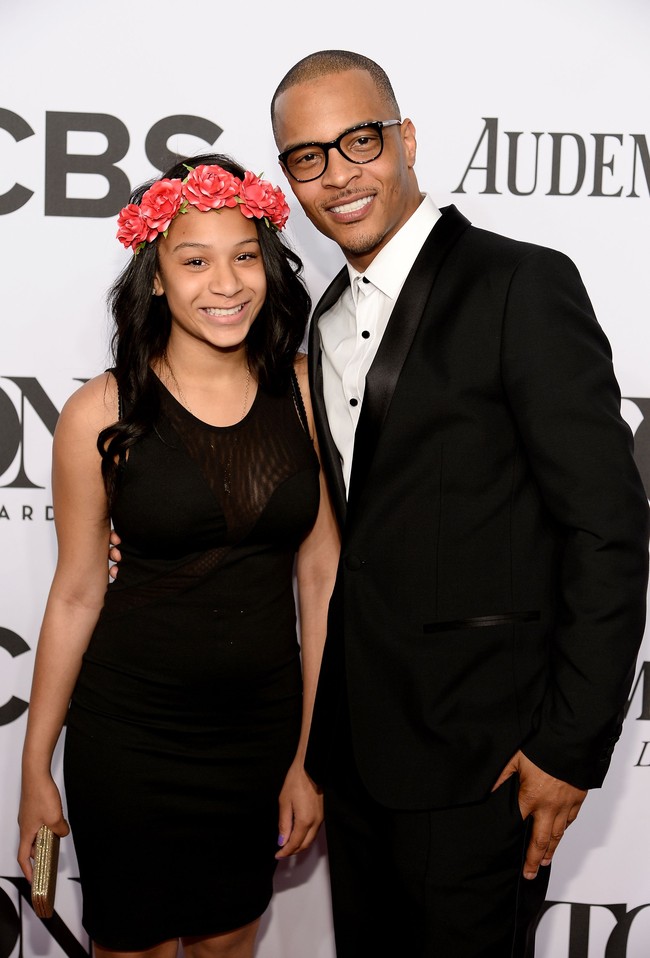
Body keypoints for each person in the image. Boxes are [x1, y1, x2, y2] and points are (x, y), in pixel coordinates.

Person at [267, 50, 650, 956]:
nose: (337, 175)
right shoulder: (320, 318)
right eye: (307, 157)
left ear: (404, 140)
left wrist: (568, 748)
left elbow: (608, 527)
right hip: (357, 762)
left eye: (358, 141)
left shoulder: (519, 283)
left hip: (487, 764)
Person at [17, 152, 340, 958]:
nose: (224, 283)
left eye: (243, 256)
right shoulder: (102, 411)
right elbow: (77, 593)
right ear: (155, 277)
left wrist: (311, 755)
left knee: (229, 945)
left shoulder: (306, 392)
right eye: (193, 260)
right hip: (129, 737)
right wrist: (34, 769)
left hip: (258, 738)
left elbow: (321, 576)